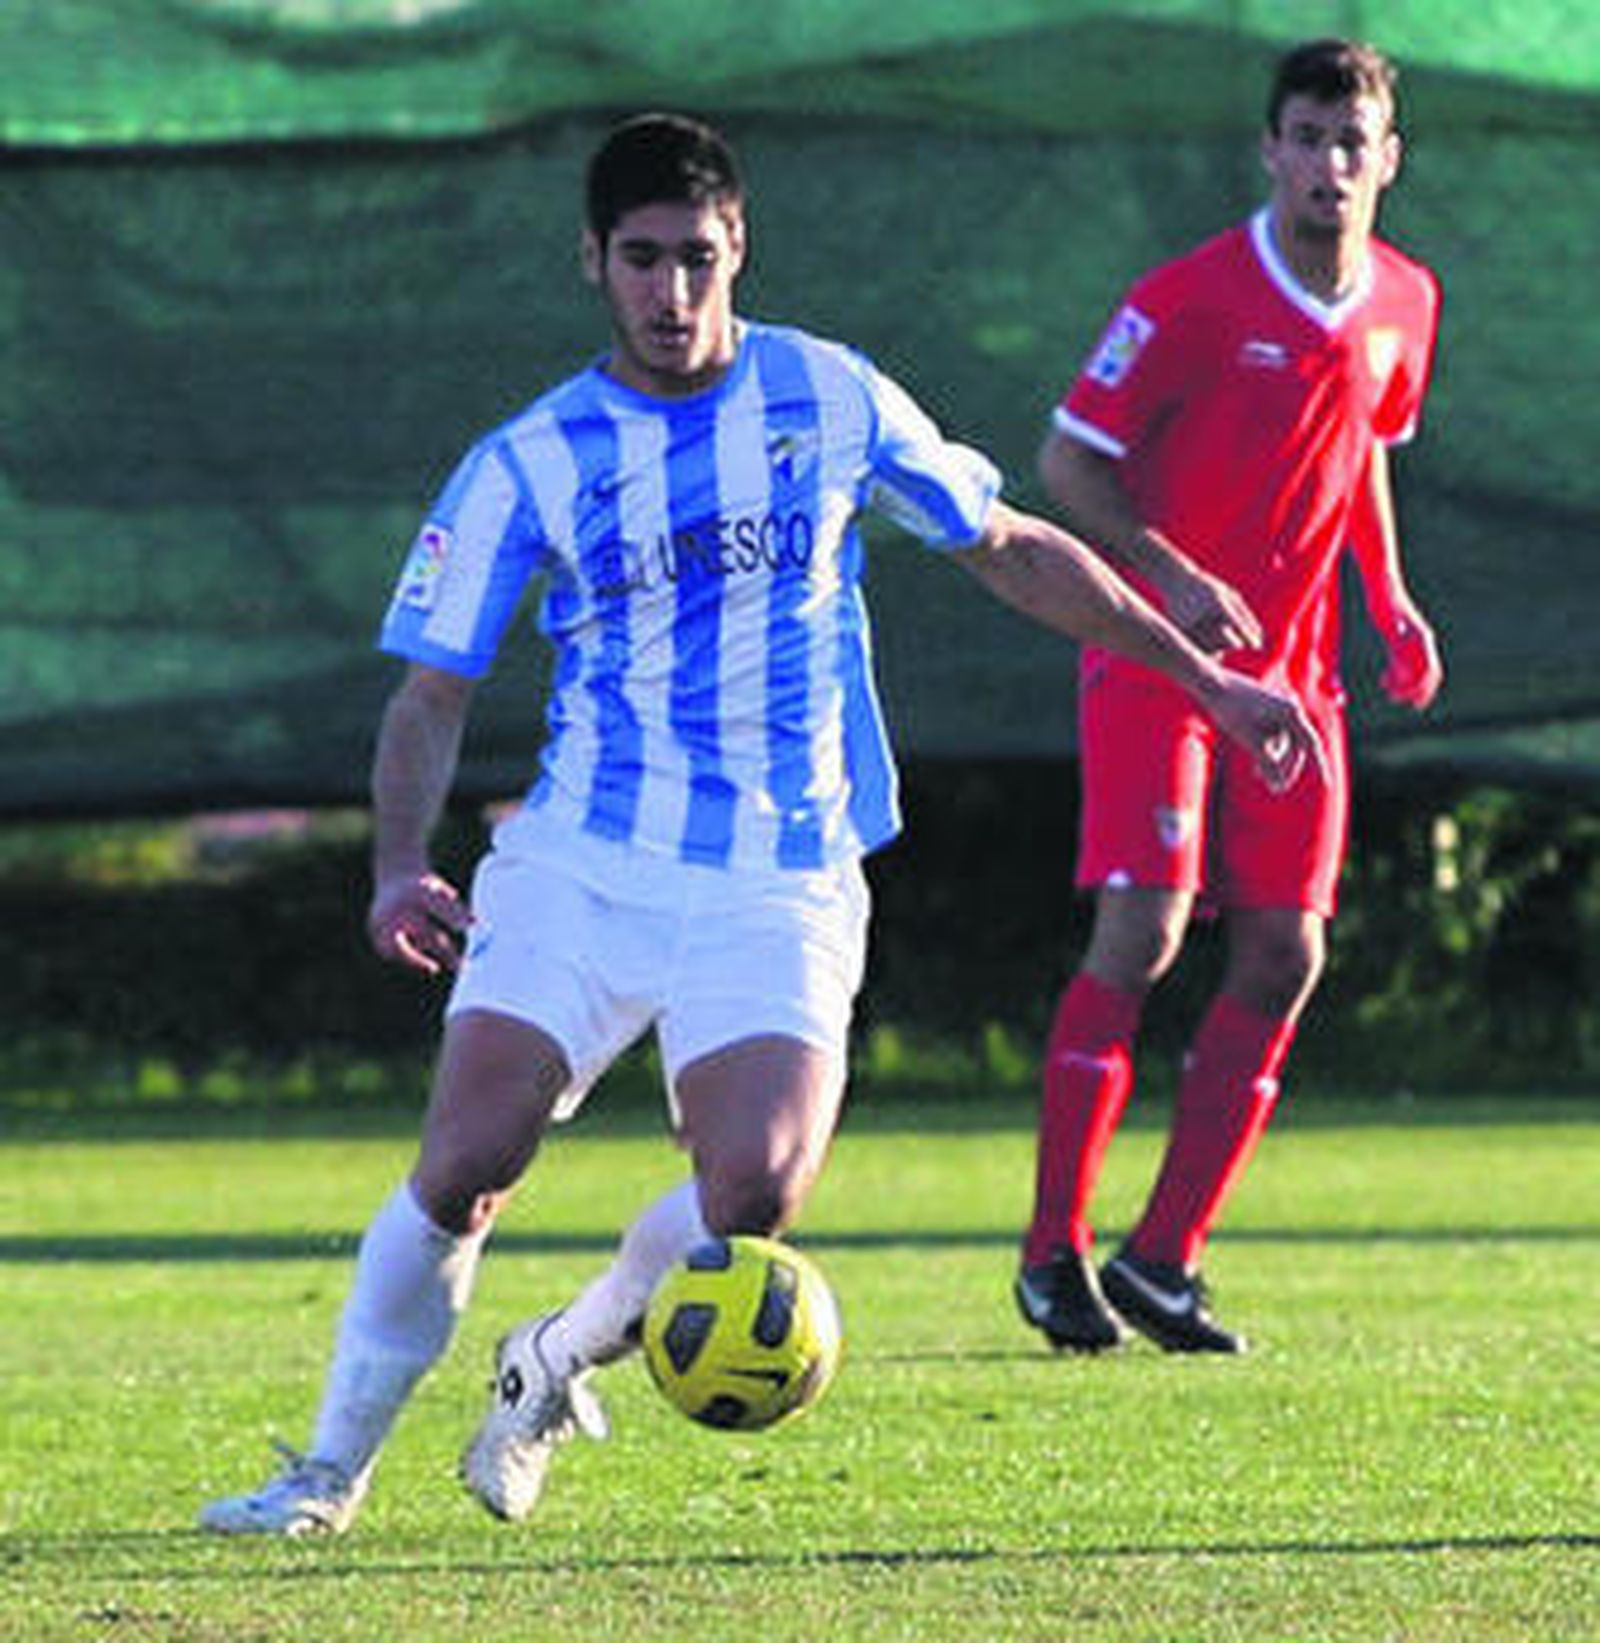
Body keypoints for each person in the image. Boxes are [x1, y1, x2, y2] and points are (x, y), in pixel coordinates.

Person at [199, 110, 1318, 1538]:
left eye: (699, 259)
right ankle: (328, 1474)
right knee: (469, 1159)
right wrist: (401, 862)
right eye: (643, 261)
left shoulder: (827, 395)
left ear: (741, 252)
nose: (673, 293)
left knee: (758, 1192)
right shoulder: (533, 458)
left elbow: (1011, 546)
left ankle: (556, 1355)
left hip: (781, 869)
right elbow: (428, 696)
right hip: (583, 863)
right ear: (593, 264)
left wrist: (1207, 677)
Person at [1014, 38, 1443, 1357]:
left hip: (1298, 682)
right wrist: (1171, 576)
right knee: (1142, 934)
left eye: (1349, 141)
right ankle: (1050, 1256)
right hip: (1157, 660)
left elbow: (1363, 449)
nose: (1327, 164)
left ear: (1387, 159)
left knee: (1284, 954)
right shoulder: (1190, 296)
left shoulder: (1406, 301)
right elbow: (1067, 467)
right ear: (1270, 151)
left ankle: (1163, 1259)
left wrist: (1391, 601)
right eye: (1305, 137)